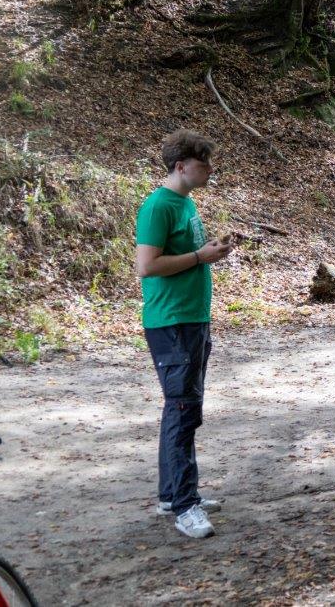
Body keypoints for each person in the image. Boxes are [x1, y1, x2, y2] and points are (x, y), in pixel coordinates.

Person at [134, 130, 233, 538]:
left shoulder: (185, 202)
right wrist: (198, 256)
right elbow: (146, 266)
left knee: (183, 408)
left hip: (193, 318)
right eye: (203, 163)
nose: (209, 169)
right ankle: (184, 506)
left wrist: (208, 251)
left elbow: (187, 256)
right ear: (181, 166)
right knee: (182, 409)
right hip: (171, 322)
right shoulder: (158, 206)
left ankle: (172, 493)